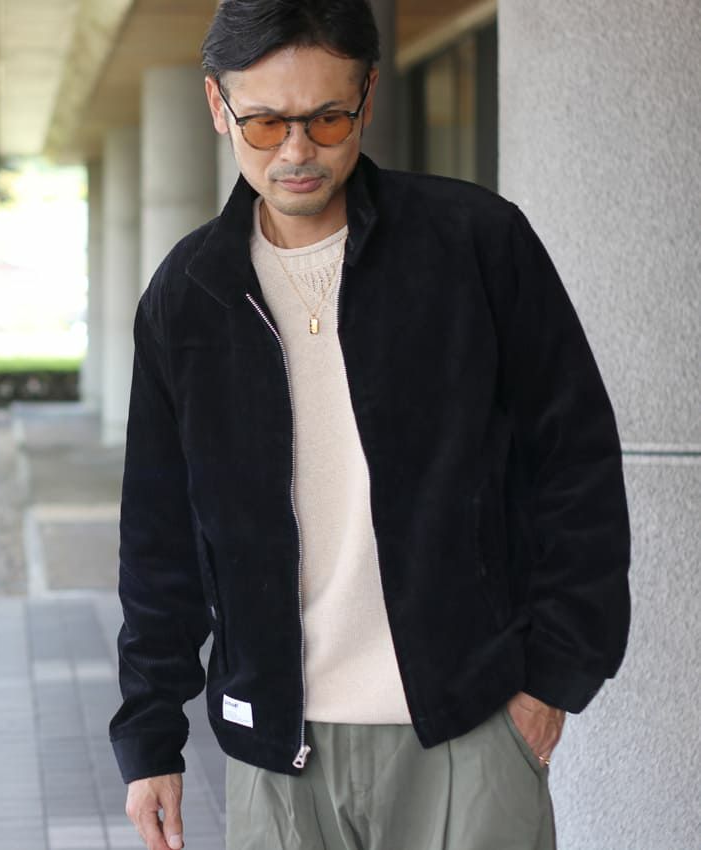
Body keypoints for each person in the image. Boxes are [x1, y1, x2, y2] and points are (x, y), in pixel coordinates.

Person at [109, 1, 632, 848]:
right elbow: (158, 537)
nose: (296, 152)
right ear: (217, 105)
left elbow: (575, 466)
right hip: (276, 749)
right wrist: (149, 736)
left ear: (369, 96)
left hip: (468, 729)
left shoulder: (474, 244)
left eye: (326, 118)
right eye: (265, 122)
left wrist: (553, 680)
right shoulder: (188, 296)